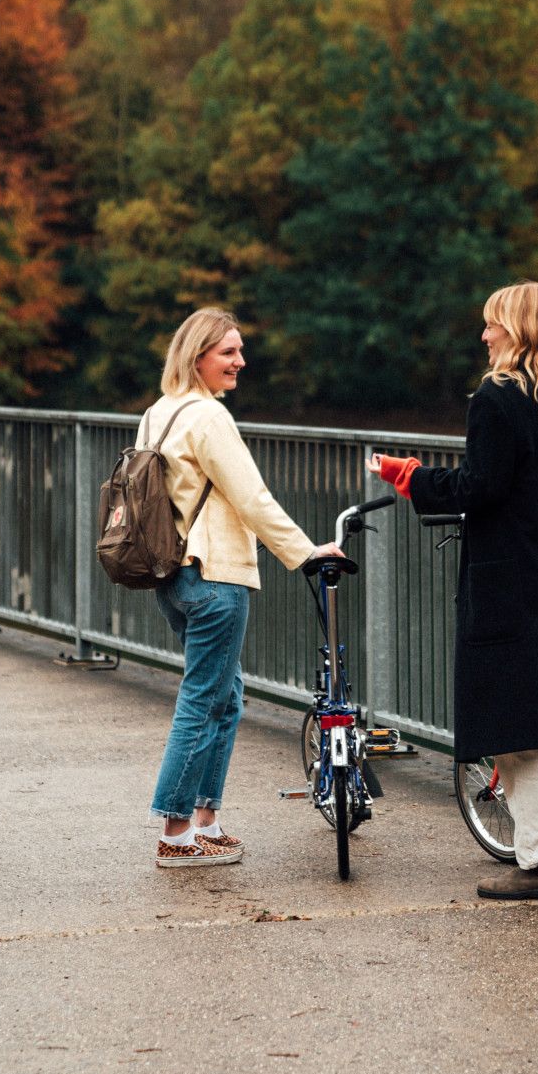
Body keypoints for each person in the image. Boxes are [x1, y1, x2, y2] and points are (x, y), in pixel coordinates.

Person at [368, 281, 538, 902]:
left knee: (510, 721)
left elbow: (480, 488)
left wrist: (413, 479)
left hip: (509, 583)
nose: (484, 335)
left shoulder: (497, 398)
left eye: (492, 324)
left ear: (518, 329)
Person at [142, 308, 343, 868]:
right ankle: (175, 832)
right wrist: (305, 552)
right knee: (203, 700)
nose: (240, 361)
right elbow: (252, 498)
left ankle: (206, 820)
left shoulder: (159, 413)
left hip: (174, 577)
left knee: (225, 700)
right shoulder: (208, 418)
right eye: (228, 352)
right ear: (198, 355)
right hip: (214, 577)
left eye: (239, 350)